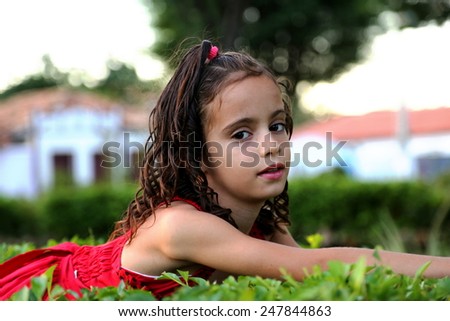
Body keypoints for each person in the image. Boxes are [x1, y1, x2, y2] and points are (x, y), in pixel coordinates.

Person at [1, 39, 449, 301]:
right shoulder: (181, 226)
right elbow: (323, 261)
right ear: (197, 154)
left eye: (276, 125)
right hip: (47, 291)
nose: (269, 145)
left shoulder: (261, 223)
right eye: (240, 135)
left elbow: (315, 277)